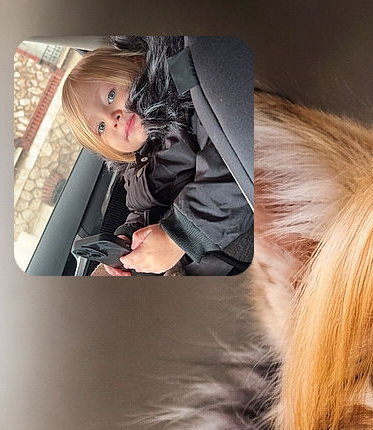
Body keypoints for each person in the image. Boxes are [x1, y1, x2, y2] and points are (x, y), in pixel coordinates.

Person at [61, 36, 253, 276]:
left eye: (111, 96)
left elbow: (233, 162)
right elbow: (141, 209)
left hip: (240, 242)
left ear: (135, 62)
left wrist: (179, 236)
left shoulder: (183, 93)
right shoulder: (135, 171)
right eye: (100, 128)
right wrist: (130, 237)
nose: (112, 119)